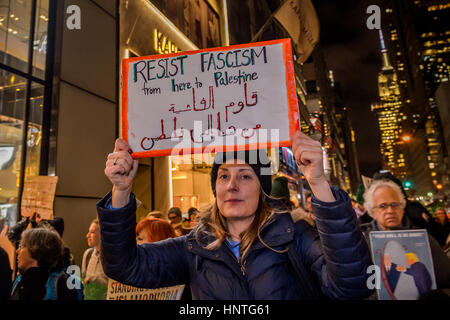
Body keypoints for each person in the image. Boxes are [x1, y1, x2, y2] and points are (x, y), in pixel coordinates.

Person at [97, 131, 373, 300]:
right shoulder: (194, 247)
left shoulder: (295, 236)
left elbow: (354, 286)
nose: (232, 185)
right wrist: (121, 191)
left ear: (262, 189)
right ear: (215, 187)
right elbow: (124, 266)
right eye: (224, 176)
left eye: (245, 175)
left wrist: (319, 184)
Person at [361, 179, 450, 298]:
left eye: (394, 204)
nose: (390, 210)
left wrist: (440, 295)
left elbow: (447, 279)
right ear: (372, 211)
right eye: (383, 206)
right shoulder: (362, 242)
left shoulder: (423, 239)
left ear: (402, 208)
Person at [10, 226, 81, 300]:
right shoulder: (20, 280)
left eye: (21, 246)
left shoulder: (61, 286)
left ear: (36, 249)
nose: (17, 251)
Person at [81, 219, 108, 300]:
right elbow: (83, 279)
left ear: (102, 235)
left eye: (92, 232)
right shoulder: (88, 254)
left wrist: (94, 279)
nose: (87, 235)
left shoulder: (113, 257)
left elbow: (117, 286)